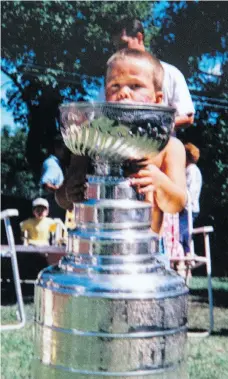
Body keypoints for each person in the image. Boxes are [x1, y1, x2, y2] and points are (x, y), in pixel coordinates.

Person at [56, 49, 187, 242]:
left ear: (158, 99)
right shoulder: (90, 140)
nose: (123, 93)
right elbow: (61, 197)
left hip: (143, 253)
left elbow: (176, 204)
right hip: (96, 250)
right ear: (106, 95)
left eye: (135, 86)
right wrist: (69, 192)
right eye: (115, 86)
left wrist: (159, 182)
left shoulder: (169, 147)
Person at [98, 18, 195, 130]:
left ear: (139, 38)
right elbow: (98, 116)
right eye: (116, 48)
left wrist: (151, 128)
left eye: (124, 44)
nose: (120, 51)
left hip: (158, 146)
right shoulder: (112, 79)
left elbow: (187, 117)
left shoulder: (170, 73)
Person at [179, 143, 202, 255]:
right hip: (190, 207)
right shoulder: (193, 170)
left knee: (182, 232)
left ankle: (187, 253)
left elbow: (190, 191)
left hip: (189, 208)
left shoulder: (191, 170)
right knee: (184, 231)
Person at [40, 134, 69, 220]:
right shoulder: (52, 164)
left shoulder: (59, 164)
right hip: (56, 211)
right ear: (58, 148)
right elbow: (46, 185)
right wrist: (62, 192)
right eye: (67, 149)